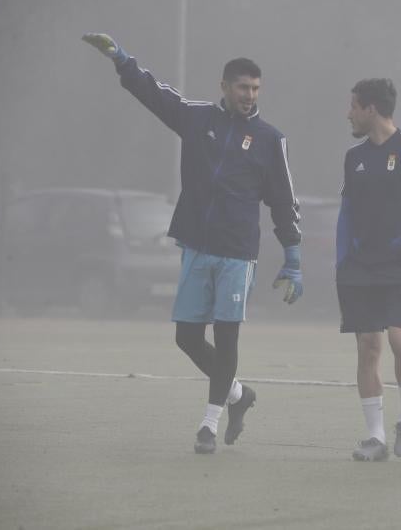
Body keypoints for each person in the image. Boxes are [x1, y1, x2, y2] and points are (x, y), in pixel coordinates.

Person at [82, 33, 302, 454]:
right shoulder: (198, 118)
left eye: (255, 89)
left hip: (238, 253)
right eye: (242, 87)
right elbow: (155, 95)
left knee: (227, 336)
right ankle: (240, 395)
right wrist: (121, 60)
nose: (249, 96)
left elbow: (284, 200)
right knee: (186, 337)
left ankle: (209, 423)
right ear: (224, 87)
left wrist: (292, 255)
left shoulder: (271, 140)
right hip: (197, 246)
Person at [336, 79, 401, 461]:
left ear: (371, 109)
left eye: (353, 106)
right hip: (361, 268)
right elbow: (346, 213)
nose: (348, 113)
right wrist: (341, 260)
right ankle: (375, 437)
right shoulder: (354, 157)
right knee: (368, 348)